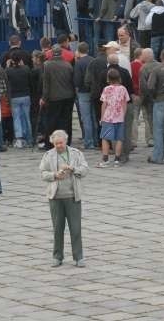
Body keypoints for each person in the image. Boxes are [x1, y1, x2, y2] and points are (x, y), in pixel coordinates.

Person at [39, 129, 88, 268]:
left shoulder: (76, 154)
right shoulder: (48, 155)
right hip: (55, 197)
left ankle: (79, 257)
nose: (59, 146)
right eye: (56, 143)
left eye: (60, 143)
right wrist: (54, 175)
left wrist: (73, 169)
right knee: (57, 228)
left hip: (73, 196)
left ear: (66, 141)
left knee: (75, 228)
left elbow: (85, 169)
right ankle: (57, 256)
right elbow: (43, 173)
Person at [41, 45, 75, 147]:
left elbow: (46, 84)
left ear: (52, 53)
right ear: (61, 53)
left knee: (52, 121)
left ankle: (50, 143)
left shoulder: (47, 65)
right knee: (66, 121)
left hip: (54, 97)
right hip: (68, 96)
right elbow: (71, 81)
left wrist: (44, 98)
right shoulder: (68, 65)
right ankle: (66, 142)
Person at [96, 68, 130, 168]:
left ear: (108, 78)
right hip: (119, 117)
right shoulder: (123, 89)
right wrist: (123, 115)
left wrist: (102, 117)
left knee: (105, 138)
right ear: (119, 77)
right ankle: (117, 160)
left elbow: (104, 104)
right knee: (119, 138)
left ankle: (105, 159)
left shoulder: (107, 89)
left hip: (108, 117)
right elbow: (125, 104)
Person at [6, 51, 33, 148]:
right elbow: (30, 81)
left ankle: (19, 139)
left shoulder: (9, 71)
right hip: (26, 95)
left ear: (12, 60)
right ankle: (29, 139)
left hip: (14, 96)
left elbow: (6, 80)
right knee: (27, 117)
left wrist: (8, 66)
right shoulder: (26, 69)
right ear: (21, 59)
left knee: (16, 118)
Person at [74, 42, 95, 149]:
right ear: (88, 50)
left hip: (83, 92)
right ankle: (96, 140)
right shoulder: (92, 60)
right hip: (93, 91)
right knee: (94, 117)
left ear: (78, 50)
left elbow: (77, 80)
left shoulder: (78, 63)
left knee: (86, 118)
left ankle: (88, 142)